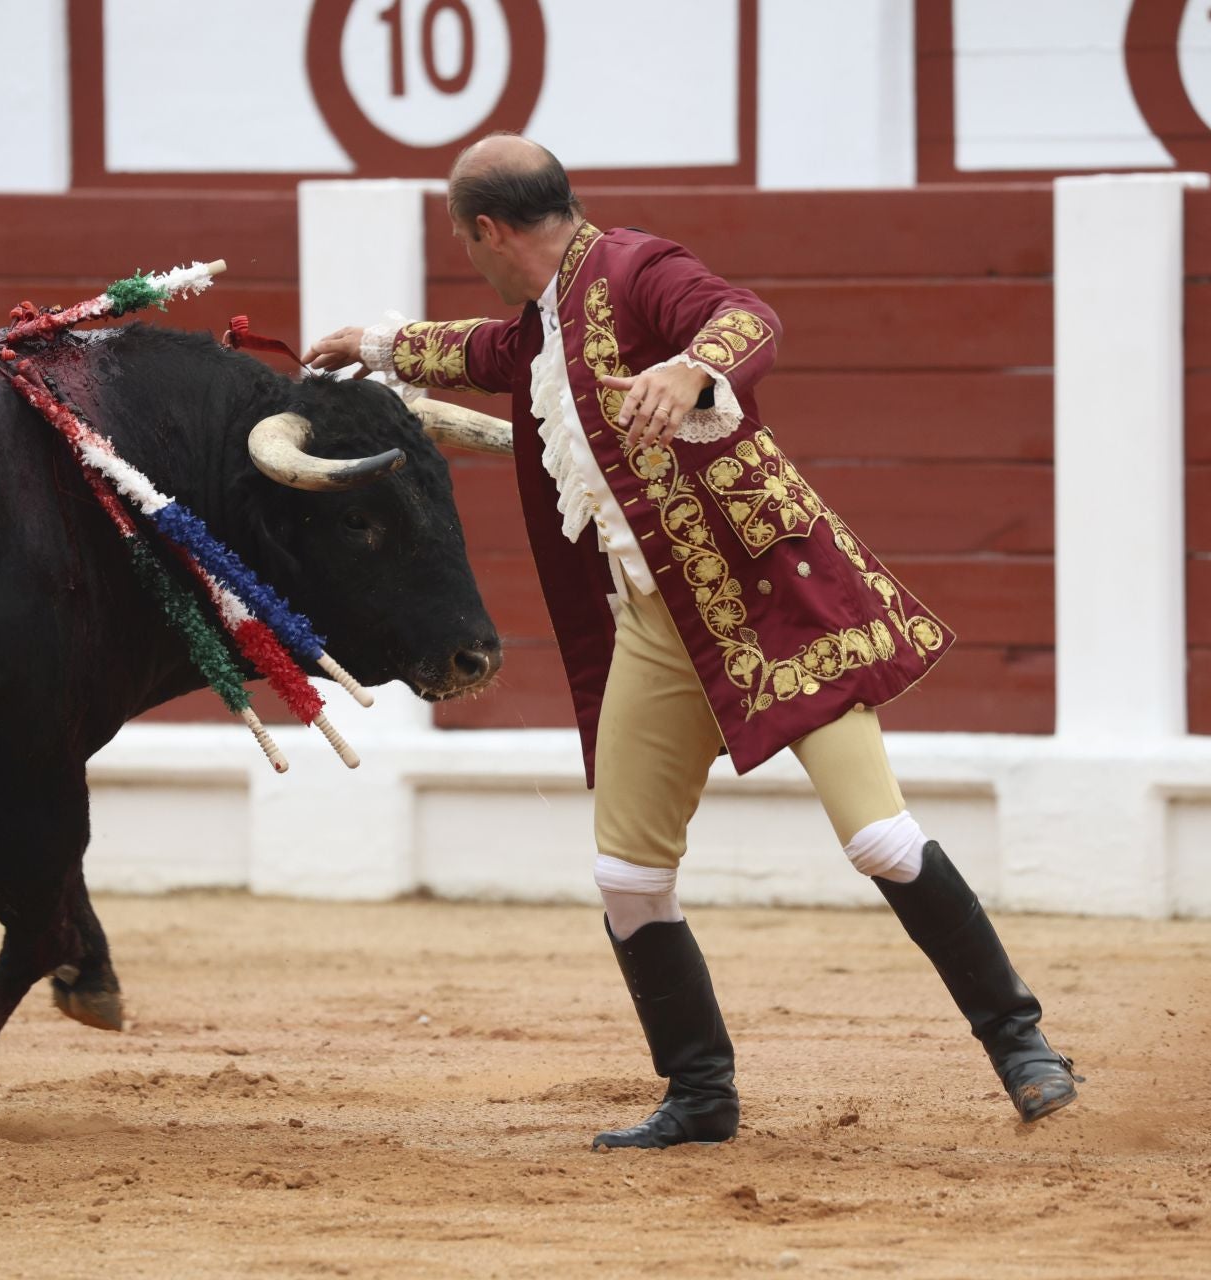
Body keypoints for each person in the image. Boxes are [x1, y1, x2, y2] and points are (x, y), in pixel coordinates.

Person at [303, 134, 1079, 1150]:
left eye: (467, 239)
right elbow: (488, 353)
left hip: (773, 605)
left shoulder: (636, 266)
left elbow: (744, 317)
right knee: (629, 876)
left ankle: (1023, 1044)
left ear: (486, 231)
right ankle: (700, 1091)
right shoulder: (544, 321)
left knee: (878, 836)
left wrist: (692, 365)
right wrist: (373, 344)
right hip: (660, 631)